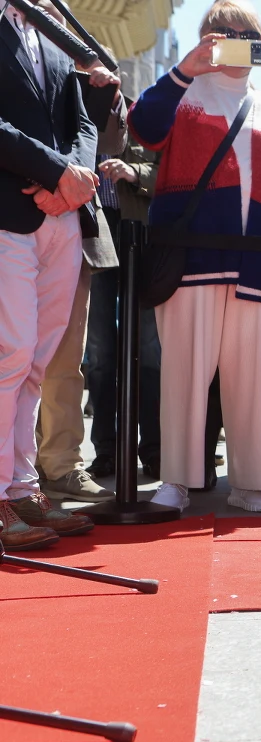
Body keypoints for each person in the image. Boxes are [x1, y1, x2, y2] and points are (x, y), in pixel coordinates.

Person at [128, 0, 261, 513]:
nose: (233, 40)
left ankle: (253, 481)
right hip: (192, 258)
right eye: (221, 32)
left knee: (254, 375)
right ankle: (176, 481)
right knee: (184, 370)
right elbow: (143, 126)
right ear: (205, 38)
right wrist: (185, 69)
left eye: (244, 33)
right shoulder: (184, 92)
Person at [1, 0, 102, 550]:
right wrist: (55, 171)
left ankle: (21, 489)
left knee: (37, 360)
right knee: (9, 353)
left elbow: (81, 119)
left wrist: (75, 179)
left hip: (62, 214)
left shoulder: (50, 26)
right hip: (9, 212)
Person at [35, 46, 124, 506]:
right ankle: (18, 472)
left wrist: (101, 88)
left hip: (74, 230)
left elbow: (108, 142)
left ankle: (60, 465)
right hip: (15, 219)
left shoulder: (84, 76)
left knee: (66, 362)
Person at [94, 101, 164, 484]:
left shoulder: (145, 115)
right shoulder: (71, 112)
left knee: (149, 350)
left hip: (141, 237)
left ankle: (153, 449)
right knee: (101, 352)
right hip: (92, 236)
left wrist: (133, 170)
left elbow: (169, 173)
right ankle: (105, 450)